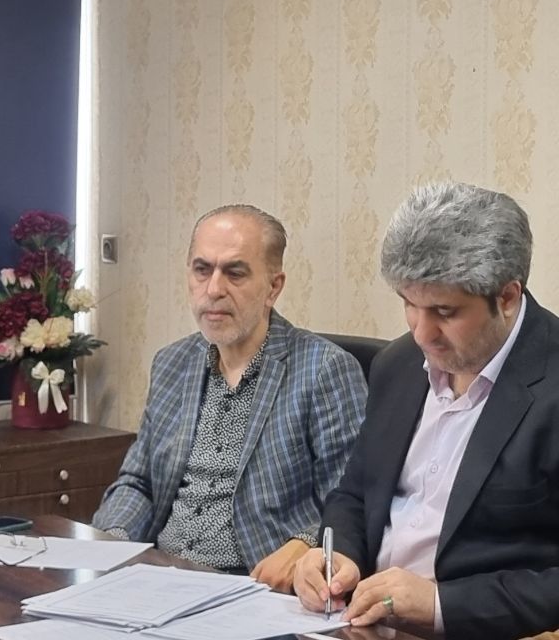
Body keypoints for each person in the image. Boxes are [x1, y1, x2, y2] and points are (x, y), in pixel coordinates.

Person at [293, 182, 559, 640]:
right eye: (409, 305)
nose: (421, 333)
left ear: (507, 297)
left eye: (444, 311)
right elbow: (355, 493)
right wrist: (338, 558)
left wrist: (440, 605)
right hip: (355, 625)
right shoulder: (396, 365)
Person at [93, 204, 367, 591]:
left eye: (235, 273)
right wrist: (112, 544)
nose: (214, 289)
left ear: (273, 287)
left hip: (253, 586)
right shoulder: (172, 363)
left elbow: (351, 499)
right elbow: (139, 483)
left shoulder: (324, 369)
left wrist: (305, 544)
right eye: (202, 270)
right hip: (157, 575)